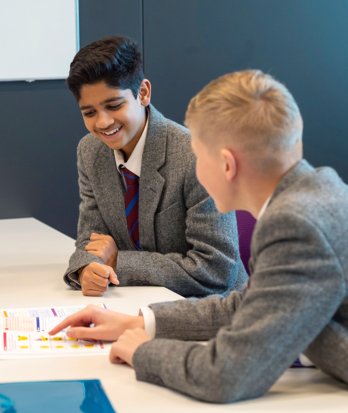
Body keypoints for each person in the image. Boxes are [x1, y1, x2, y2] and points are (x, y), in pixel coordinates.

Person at [50, 69, 348, 403]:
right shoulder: (320, 191)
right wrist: (141, 322)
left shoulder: (294, 225)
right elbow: (253, 304)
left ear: (226, 164)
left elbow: (226, 375)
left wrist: (144, 351)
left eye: (197, 153)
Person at [63, 35, 247, 297]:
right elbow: (90, 242)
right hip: (136, 303)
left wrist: (119, 261)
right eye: (89, 113)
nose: (102, 123)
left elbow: (216, 271)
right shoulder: (90, 151)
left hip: (213, 311)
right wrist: (88, 269)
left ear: (143, 93)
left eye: (114, 106)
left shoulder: (196, 155)